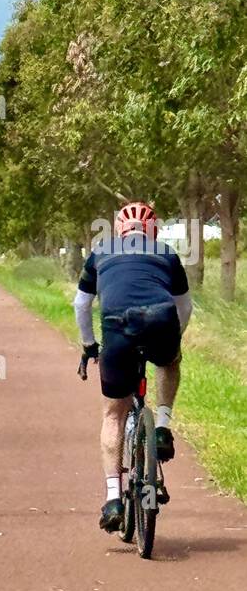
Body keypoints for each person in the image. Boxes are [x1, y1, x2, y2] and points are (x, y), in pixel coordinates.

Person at [73, 201, 193, 532]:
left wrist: (88, 344)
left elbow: (81, 304)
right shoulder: (166, 253)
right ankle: (163, 428)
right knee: (169, 362)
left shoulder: (100, 252)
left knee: (114, 414)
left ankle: (113, 499)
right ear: (152, 230)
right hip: (161, 320)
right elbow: (185, 305)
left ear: (118, 230)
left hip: (117, 326)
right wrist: (173, 340)